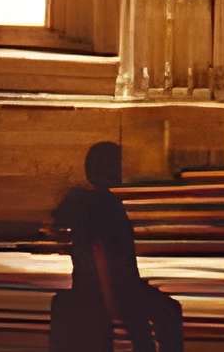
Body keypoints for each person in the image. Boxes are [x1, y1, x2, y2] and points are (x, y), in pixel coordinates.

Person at [52, 141, 183, 352]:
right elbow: (102, 254)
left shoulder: (83, 202)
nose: (122, 168)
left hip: (102, 287)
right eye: (117, 163)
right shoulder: (106, 205)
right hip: (116, 290)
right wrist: (111, 300)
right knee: (169, 312)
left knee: (151, 323)